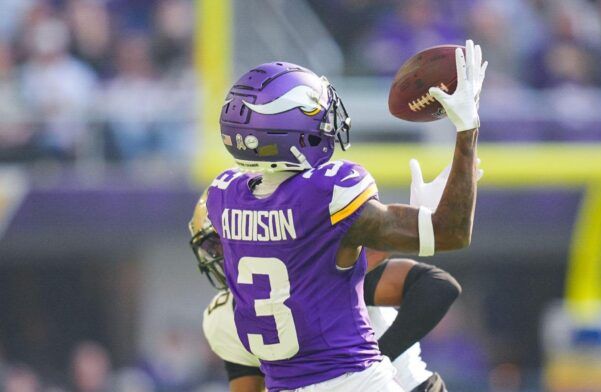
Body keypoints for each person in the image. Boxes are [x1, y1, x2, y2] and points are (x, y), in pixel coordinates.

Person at [202, 39, 486, 391]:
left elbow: (309, 258)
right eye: (315, 112)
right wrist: (466, 129)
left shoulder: (224, 197)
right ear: (286, 128)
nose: (326, 120)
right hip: (357, 380)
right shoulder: (326, 192)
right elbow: (451, 233)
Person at [189, 192, 468, 391]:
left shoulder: (320, 273)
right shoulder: (221, 317)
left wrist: (375, 364)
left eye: (219, 245)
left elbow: (436, 286)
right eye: (211, 248)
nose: (216, 256)